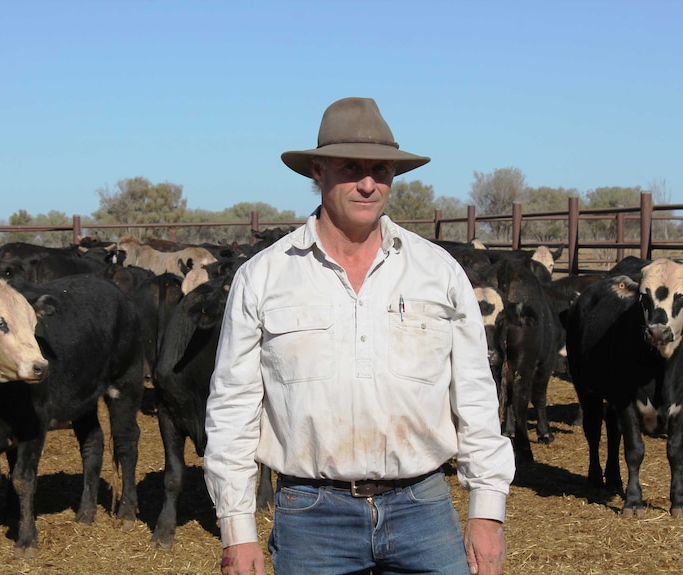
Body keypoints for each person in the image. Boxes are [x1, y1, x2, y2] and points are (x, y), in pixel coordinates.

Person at [203, 97, 515, 575]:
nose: (369, 184)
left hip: (424, 507)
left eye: (381, 170)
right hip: (311, 515)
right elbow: (232, 407)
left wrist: (487, 510)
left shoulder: (438, 272)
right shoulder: (264, 277)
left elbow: (475, 396)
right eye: (352, 167)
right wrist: (236, 530)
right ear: (318, 172)